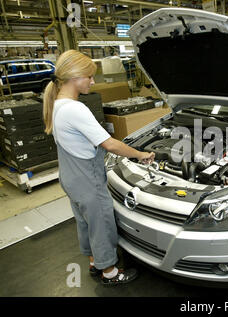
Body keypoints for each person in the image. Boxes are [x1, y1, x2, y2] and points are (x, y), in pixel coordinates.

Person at [43, 50, 155, 286]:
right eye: (89, 77)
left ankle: (94, 261)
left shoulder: (58, 104)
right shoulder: (76, 109)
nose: (93, 82)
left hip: (70, 176)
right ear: (74, 77)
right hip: (87, 177)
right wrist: (141, 155)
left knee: (85, 222)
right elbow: (110, 144)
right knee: (102, 223)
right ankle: (110, 272)